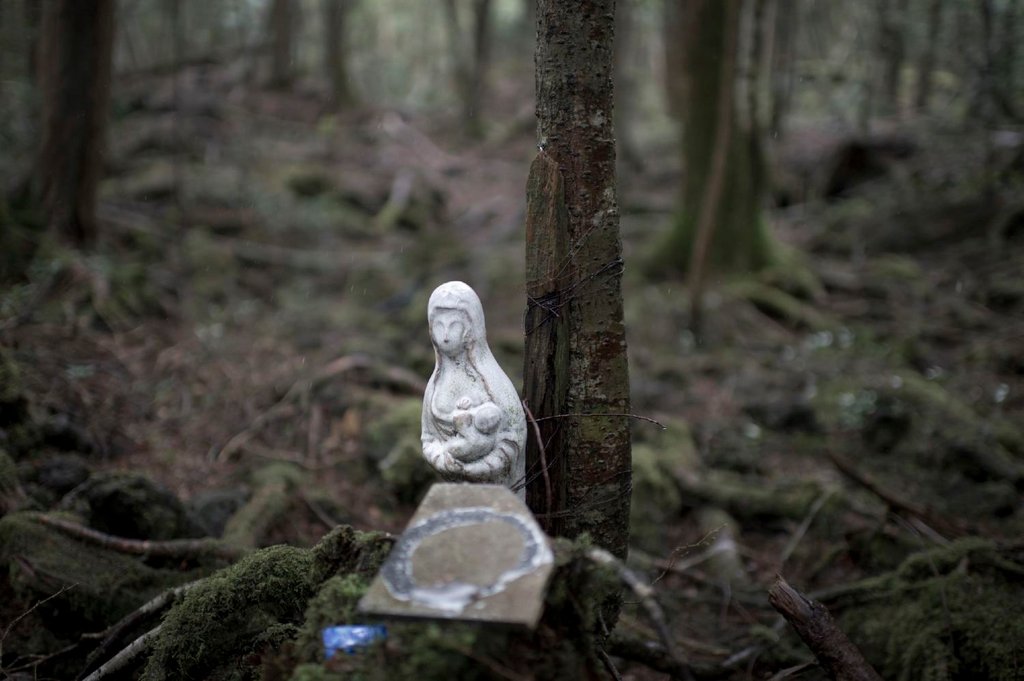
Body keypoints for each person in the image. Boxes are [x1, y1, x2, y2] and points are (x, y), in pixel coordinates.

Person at [421, 282, 526, 495]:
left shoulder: (492, 383)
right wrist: (441, 459)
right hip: (455, 487)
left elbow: (514, 437)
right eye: (439, 326)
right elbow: (428, 438)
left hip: (498, 491)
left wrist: (479, 468)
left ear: (470, 328)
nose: (446, 335)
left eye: (454, 325)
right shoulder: (435, 384)